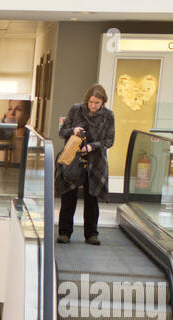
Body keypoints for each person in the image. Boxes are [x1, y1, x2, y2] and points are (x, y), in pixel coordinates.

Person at [56, 84, 115, 246]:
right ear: (86, 100)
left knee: (92, 198)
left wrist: (91, 147)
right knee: (68, 196)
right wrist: (73, 130)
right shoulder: (76, 110)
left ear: (103, 102)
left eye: (97, 103)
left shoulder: (108, 116)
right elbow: (62, 132)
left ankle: (91, 234)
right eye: (91, 102)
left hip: (95, 162)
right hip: (73, 159)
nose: (93, 106)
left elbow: (109, 140)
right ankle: (64, 232)